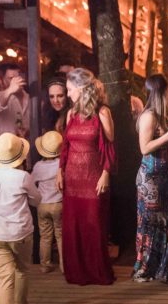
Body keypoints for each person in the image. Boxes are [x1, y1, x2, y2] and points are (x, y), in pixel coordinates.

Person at [58, 68, 115, 286]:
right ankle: (76, 272)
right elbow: (66, 146)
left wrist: (106, 174)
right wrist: (59, 170)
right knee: (74, 224)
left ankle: (96, 271)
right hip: (72, 177)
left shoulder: (102, 113)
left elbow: (110, 147)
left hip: (93, 177)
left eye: (70, 90)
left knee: (93, 224)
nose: (68, 94)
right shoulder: (71, 114)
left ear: (81, 89)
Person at [0, 133, 41, 304]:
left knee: (4, 277)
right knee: (21, 269)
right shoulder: (23, 177)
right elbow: (37, 199)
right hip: (20, 233)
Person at [133, 74, 168, 284]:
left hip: (165, 176)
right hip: (150, 179)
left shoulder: (163, 116)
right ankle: (145, 268)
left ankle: (165, 267)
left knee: (167, 223)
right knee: (151, 224)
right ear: (162, 92)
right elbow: (145, 148)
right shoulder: (149, 116)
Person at [32, 131, 64, 274]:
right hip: (58, 203)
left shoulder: (38, 166)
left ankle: (45, 264)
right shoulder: (61, 165)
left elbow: (32, 182)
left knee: (45, 236)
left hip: (43, 205)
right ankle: (64, 266)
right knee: (60, 235)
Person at [0, 63, 31, 143]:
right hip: (6, 152)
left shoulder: (30, 98)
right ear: (3, 81)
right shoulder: (1, 95)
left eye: (18, 76)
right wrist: (10, 89)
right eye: (11, 78)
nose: (16, 81)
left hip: (26, 151)